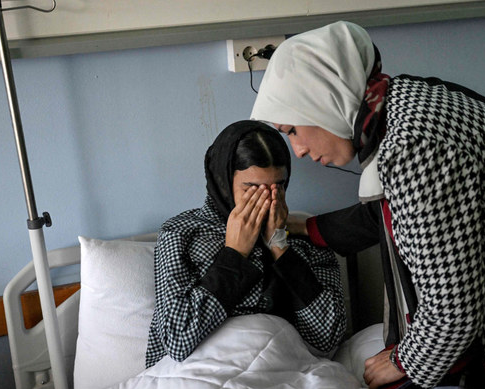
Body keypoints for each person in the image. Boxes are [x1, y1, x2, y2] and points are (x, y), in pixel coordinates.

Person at [250, 21, 485, 389]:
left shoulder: (412, 147)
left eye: (292, 130)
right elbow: (406, 214)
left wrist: (405, 361)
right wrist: (304, 228)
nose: (299, 150)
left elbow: (454, 309)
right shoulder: (409, 98)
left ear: (321, 98)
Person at [144, 120, 346, 368]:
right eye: (252, 188)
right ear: (223, 182)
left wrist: (280, 247)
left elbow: (329, 337)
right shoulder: (182, 233)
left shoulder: (307, 237)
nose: (267, 198)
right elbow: (176, 340)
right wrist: (235, 255)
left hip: (283, 369)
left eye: (278, 186)